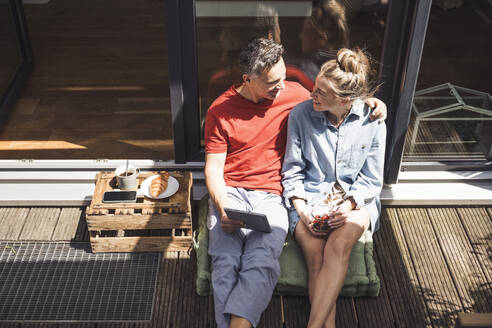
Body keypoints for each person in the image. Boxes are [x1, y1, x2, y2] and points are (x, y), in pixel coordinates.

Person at [204, 38, 386, 328]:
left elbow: (343, 96)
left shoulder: (298, 92)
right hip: (233, 193)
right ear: (247, 79)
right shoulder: (220, 111)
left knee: (261, 260)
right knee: (225, 263)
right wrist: (223, 208)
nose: (282, 87)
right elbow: (213, 169)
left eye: (283, 77)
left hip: (272, 194)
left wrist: (373, 104)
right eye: (273, 83)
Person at [281, 47, 386, 328]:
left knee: (338, 245)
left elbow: (373, 180)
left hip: (357, 201)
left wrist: (348, 205)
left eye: (320, 93)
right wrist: (302, 211)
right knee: (315, 255)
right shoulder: (300, 115)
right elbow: (291, 172)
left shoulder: (373, 120)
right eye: (315, 88)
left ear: (345, 99)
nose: (312, 95)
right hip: (311, 200)